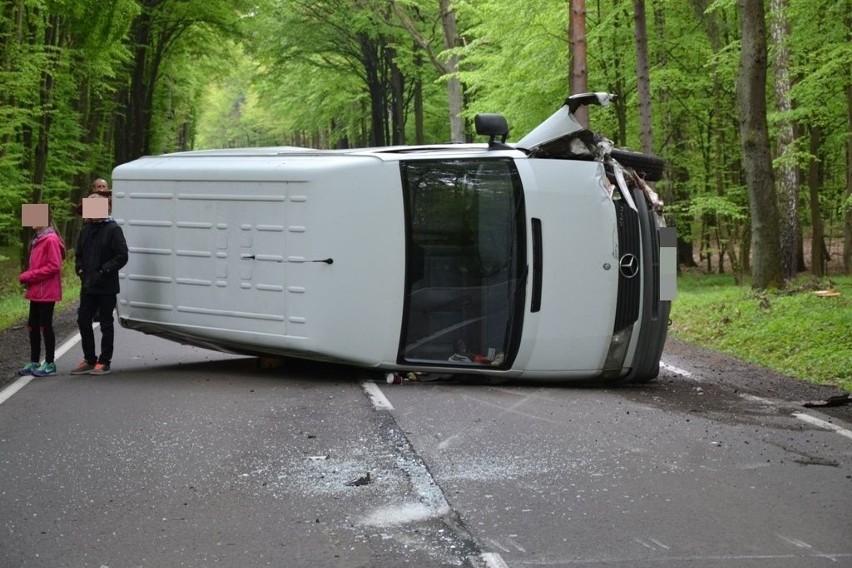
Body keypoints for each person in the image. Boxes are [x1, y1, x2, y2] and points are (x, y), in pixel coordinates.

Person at [71, 189, 128, 376]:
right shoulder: (86, 230)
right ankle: (89, 358)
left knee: (105, 323)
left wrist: (105, 270)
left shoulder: (113, 229)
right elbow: (79, 253)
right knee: (83, 320)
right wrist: (79, 267)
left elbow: (122, 256)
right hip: (87, 284)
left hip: (106, 285)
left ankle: (104, 361)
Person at [18, 212, 66, 377]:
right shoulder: (37, 239)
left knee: (46, 326)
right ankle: (34, 361)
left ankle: (50, 363)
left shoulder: (51, 240)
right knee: (33, 326)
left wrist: (28, 276)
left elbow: (54, 266)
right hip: (36, 291)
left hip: (47, 291)